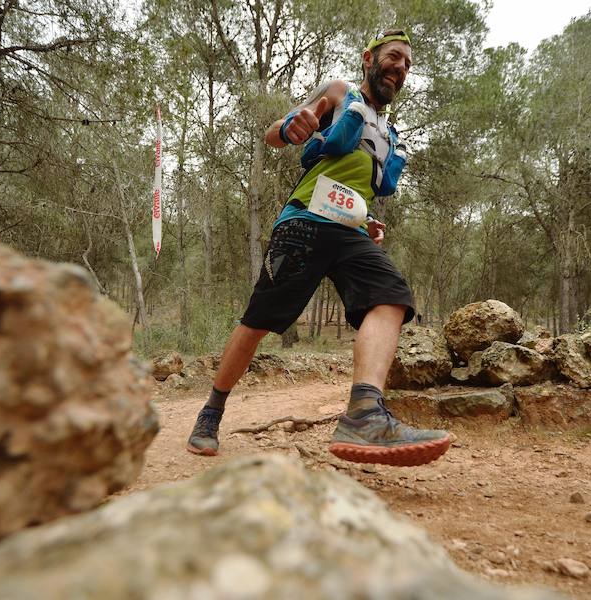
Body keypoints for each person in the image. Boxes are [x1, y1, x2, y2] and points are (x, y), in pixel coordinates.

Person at [186, 29, 450, 467]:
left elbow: (359, 185)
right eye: (394, 57)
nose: (400, 68)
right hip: (305, 221)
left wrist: (366, 219)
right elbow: (273, 134)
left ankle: (365, 413)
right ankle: (211, 412)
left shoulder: (389, 131)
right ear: (369, 58)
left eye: (407, 64)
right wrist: (292, 127)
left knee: (392, 297)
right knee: (259, 321)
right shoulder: (339, 92)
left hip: (351, 232)